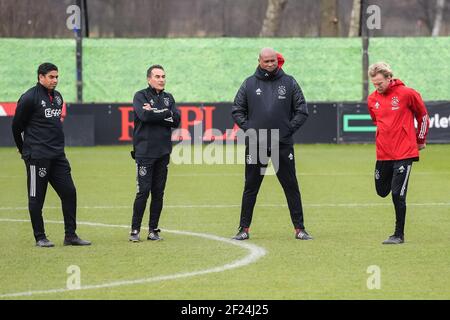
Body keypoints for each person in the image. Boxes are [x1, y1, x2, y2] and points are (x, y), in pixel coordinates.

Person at [231, 47, 313, 240]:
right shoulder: (249, 83)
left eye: (273, 61)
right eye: (266, 61)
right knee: (251, 187)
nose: (270, 64)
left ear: (278, 61)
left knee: (291, 186)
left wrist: (288, 129)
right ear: (259, 61)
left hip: (282, 144)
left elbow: (302, 110)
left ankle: (300, 229)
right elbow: (237, 109)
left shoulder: (289, 82)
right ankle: (243, 229)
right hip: (256, 145)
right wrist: (250, 128)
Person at [11, 62, 91, 247]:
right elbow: (17, 125)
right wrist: (23, 149)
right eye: (51, 77)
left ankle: (70, 236)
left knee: (69, 192)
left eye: (56, 77)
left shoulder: (57, 97)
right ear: (40, 77)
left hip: (57, 156)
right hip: (37, 157)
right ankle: (40, 237)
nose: (55, 80)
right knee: (36, 198)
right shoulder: (29, 97)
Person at [367, 62, 429, 244]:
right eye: (374, 84)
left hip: (404, 152)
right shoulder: (372, 99)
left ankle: (398, 235)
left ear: (389, 78)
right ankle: (397, 233)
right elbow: (376, 121)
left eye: (380, 83)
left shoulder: (407, 93)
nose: (377, 87)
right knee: (381, 191)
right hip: (383, 153)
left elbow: (423, 116)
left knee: (397, 194)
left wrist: (420, 139)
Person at [129, 65, 180, 242]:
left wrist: (157, 112)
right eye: (157, 76)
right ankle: (135, 230)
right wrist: (164, 114)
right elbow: (144, 117)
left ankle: (153, 230)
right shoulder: (140, 96)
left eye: (163, 76)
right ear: (149, 79)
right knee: (143, 191)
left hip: (163, 152)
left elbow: (176, 120)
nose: (161, 79)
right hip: (144, 152)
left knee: (158, 192)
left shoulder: (169, 98)